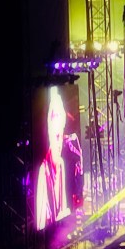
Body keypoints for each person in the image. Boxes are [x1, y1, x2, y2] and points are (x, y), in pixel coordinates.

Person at [35, 86, 71, 231]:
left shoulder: (61, 165)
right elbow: (41, 221)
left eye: (61, 134)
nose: (59, 141)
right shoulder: (44, 171)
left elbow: (63, 210)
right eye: (56, 136)